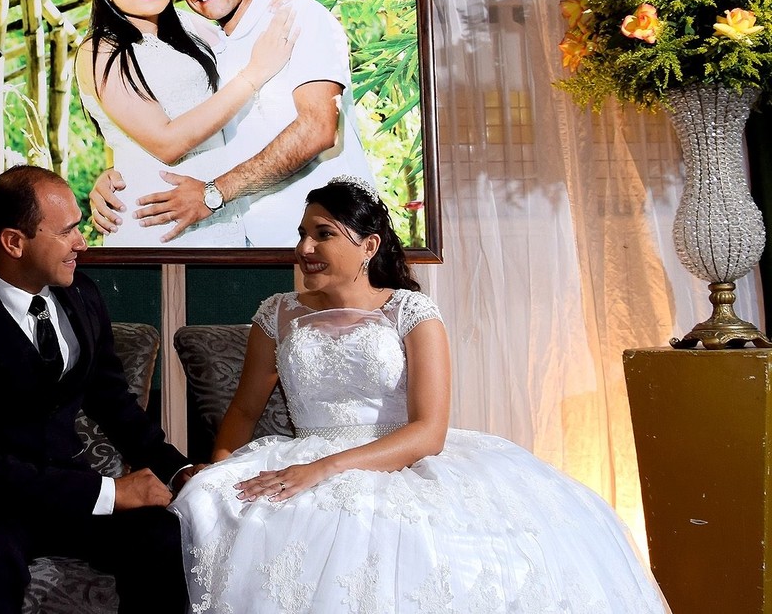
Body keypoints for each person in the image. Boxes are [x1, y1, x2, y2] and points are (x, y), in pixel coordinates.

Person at [169, 176, 671, 613]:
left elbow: (429, 432)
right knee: (211, 499)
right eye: (302, 234)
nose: (305, 248)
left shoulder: (412, 313)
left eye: (323, 234)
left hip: (401, 456)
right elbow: (243, 410)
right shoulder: (276, 314)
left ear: (369, 246)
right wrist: (220, 463)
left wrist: (324, 468)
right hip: (302, 448)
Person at [0, 165, 196, 613]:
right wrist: (111, 493)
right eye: (68, 232)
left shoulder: (81, 292)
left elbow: (113, 402)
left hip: (67, 492)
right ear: (14, 242)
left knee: (162, 536)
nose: (82, 242)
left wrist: (178, 470)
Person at [92, 0, 378, 247]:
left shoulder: (293, 17)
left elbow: (318, 129)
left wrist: (214, 193)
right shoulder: (211, 48)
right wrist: (123, 174)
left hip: (334, 235)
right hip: (257, 243)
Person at [74, 0, 297, 247]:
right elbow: (166, 143)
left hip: (222, 207)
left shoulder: (192, 27)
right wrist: (254, 73)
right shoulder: (100, 51)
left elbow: (246, 35)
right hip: (158, 221)